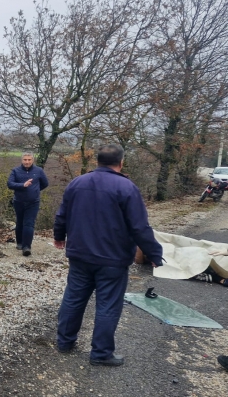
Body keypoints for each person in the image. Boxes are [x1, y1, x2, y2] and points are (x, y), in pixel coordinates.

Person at [53, 144, 163, 366]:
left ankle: (64, 342)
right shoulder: (127, 188)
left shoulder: (77, 182)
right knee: (108, 305)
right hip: (112, 259)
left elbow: (62, 214)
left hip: (80, 255)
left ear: (97, 162)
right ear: (121, 162)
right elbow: (139, 227)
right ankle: (101, 353)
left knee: (73, 298)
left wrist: (59, 236)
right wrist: (154, 254)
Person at [7, 152, 49, 256]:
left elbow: (45, 183)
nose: (27, 162)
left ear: (32, 160)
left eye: (29, 160)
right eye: (25, 160)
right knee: (20, 222)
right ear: (22, 160)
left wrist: (35, 190)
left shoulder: (38, 171)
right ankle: (20, 243)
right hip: (19, 201)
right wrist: (23, 185)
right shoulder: (15, 171)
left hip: (33, 202)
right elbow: (10, 184)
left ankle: (27, 247)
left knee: (29, 223)